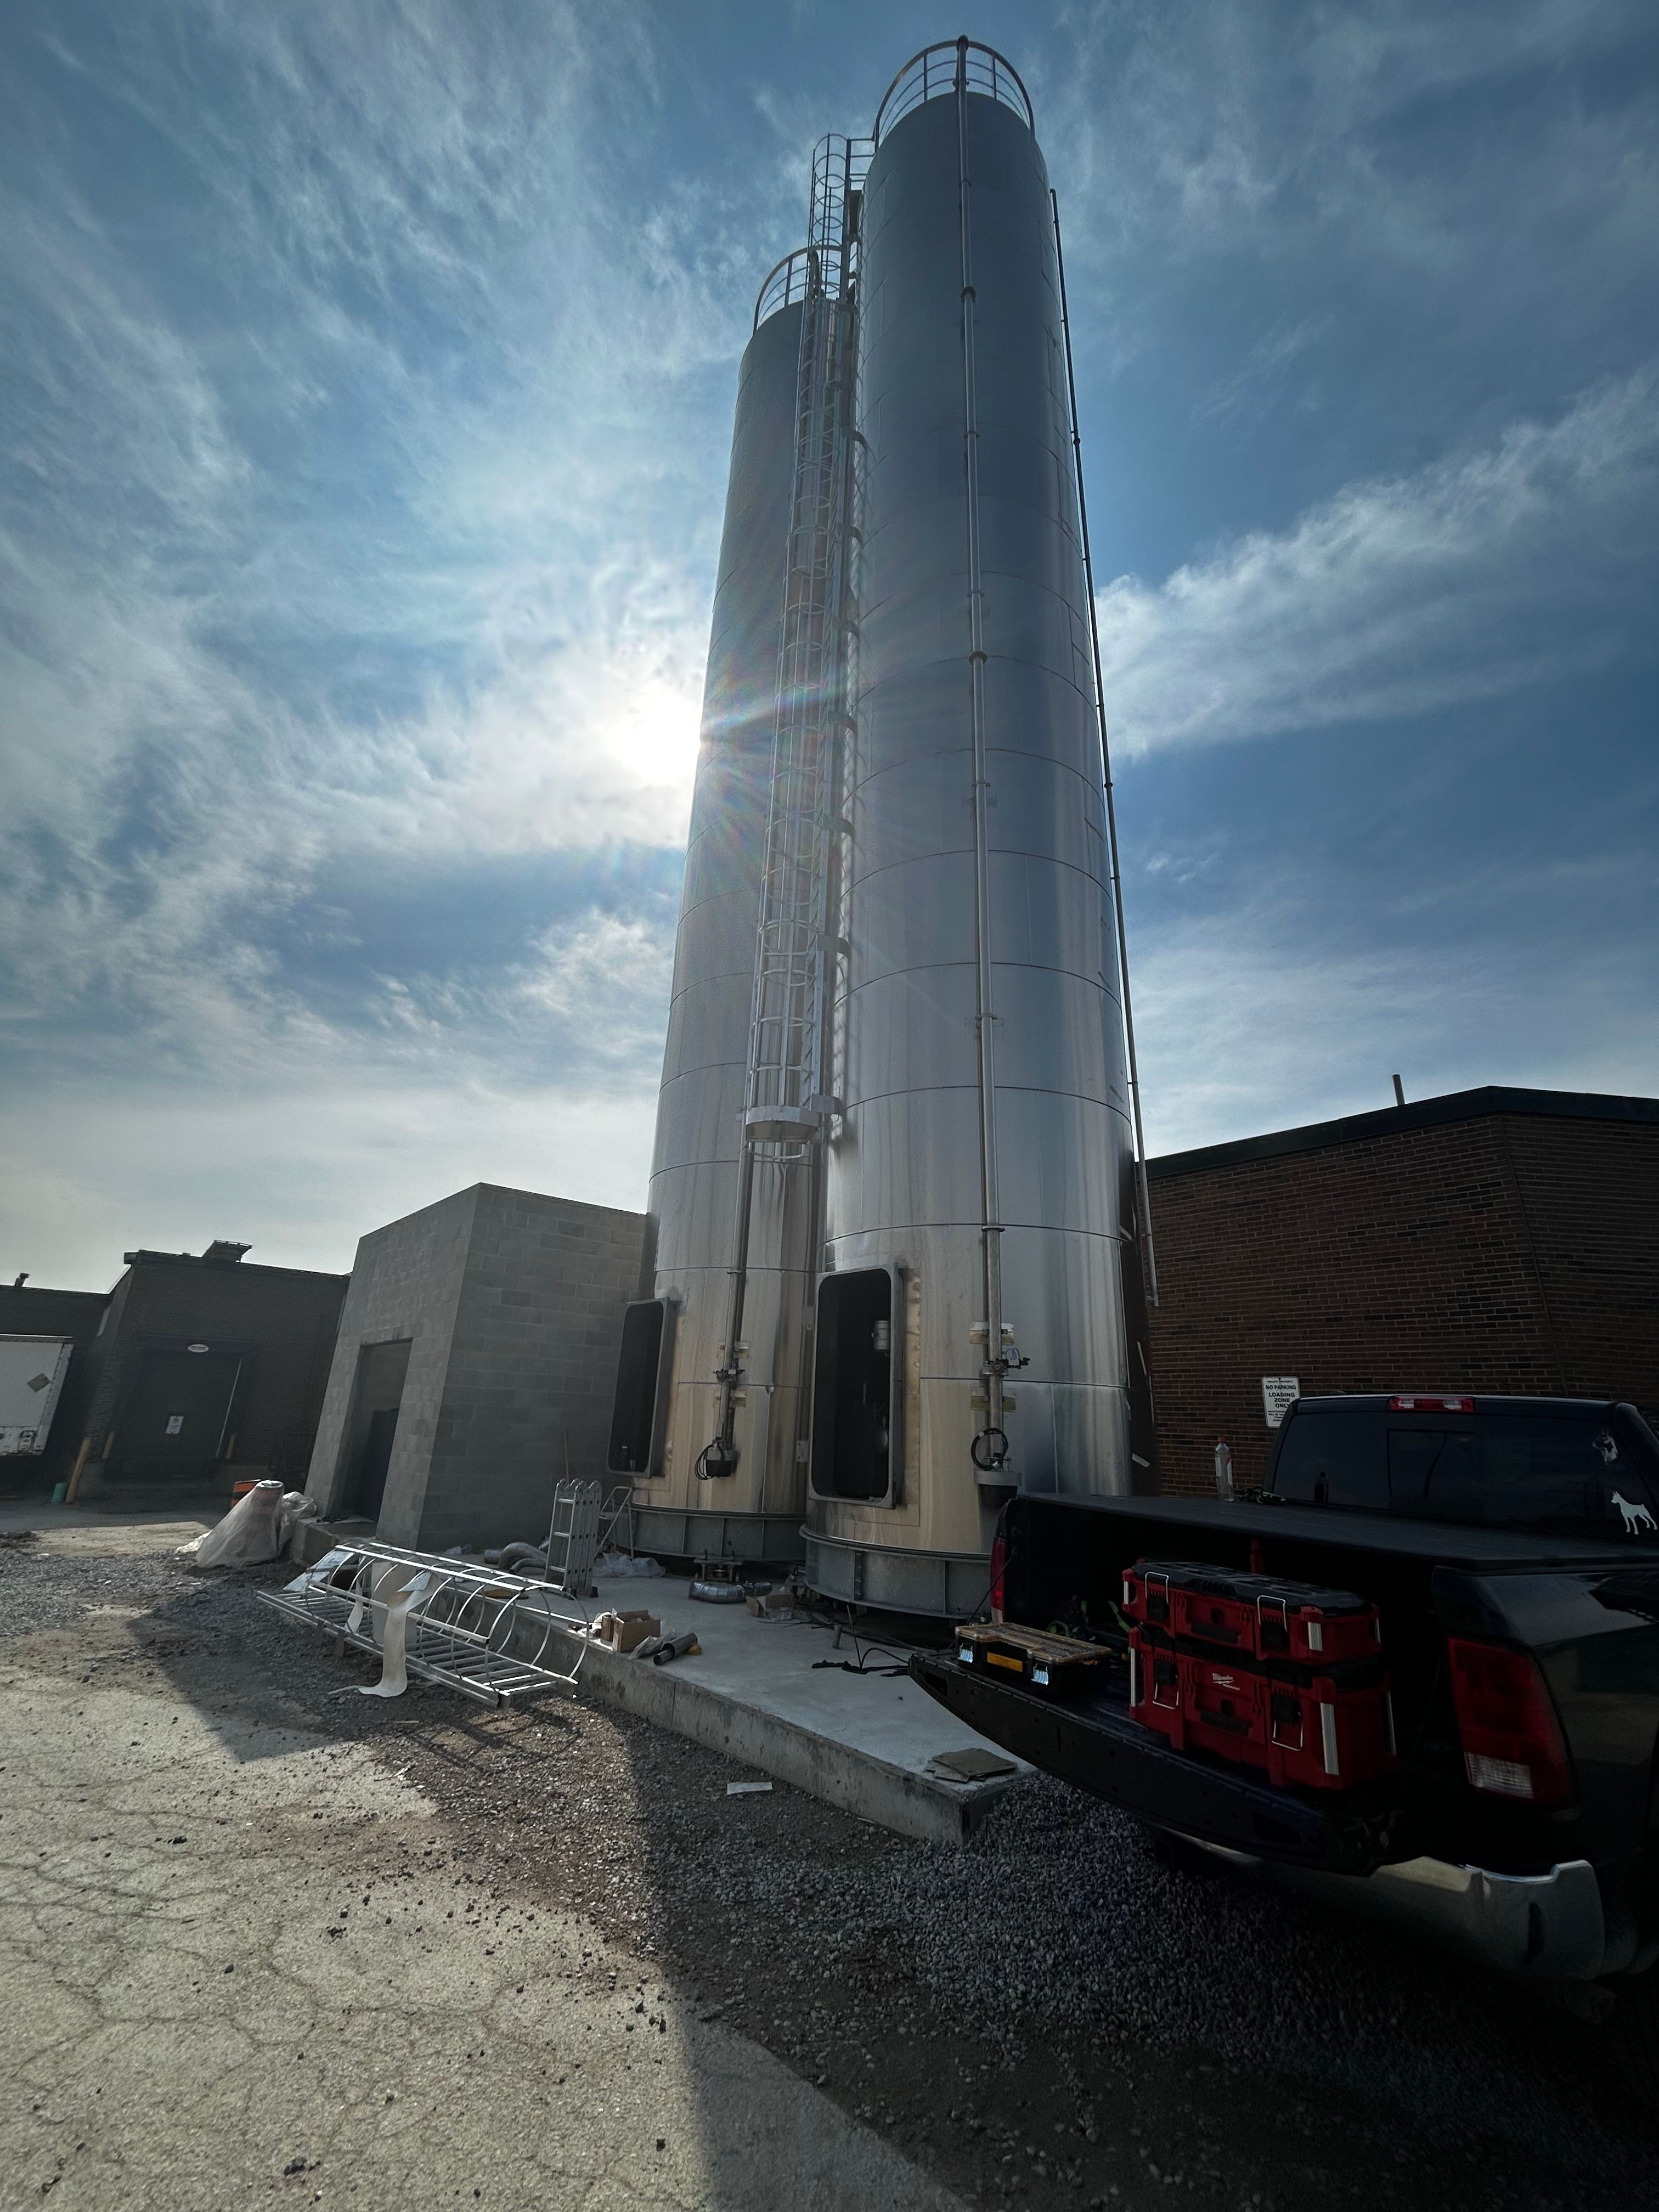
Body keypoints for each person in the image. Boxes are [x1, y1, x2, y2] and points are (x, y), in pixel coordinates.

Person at [1214, 1435, 1234, 1499]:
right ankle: (1223, 1495)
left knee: (1228, 1479)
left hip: (1227, 1475)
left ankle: (1228, 1495)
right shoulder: (1218, 1449)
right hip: (1221, 1476)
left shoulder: (1225, 1449)